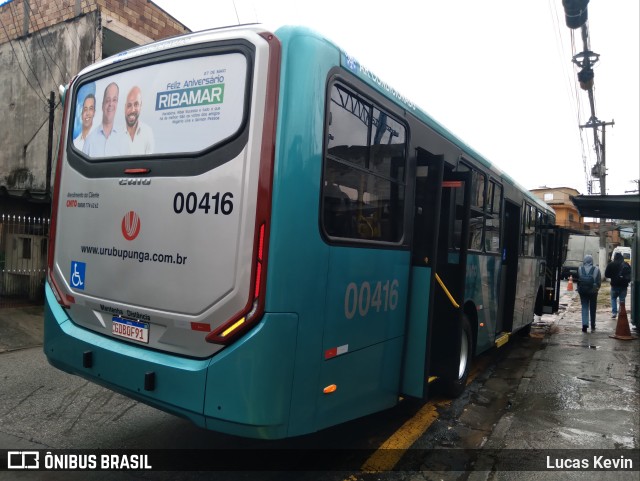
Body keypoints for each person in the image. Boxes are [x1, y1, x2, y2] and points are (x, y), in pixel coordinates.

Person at [83, 82, 129, 157]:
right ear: (102, 105)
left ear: (117, 104)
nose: (111, 104)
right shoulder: (90, 141)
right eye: (108, 100)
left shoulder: (124, 140)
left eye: (114, 100)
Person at [124, 86, 154, 155]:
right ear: (125, 107)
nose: (132, 110)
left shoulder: (148, 133)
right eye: (129, 105)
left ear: (141, 106)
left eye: (136, 104)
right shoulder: (117, 135)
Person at [577, 254, 601, 333]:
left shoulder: (580, 269)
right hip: (593, 291)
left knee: (584, 307)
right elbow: (599, 282)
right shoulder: (596, 269)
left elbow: (578, 281)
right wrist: (597, 288)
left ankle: (584, 325)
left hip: (583, 291)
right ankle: (593, 325)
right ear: (592, 261)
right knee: (593, 308)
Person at [605, 251, 632, 319]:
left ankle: (614, 313)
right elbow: (630, 275)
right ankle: (621, 313)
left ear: (614, 257)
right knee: (622, 300)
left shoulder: (611, 264)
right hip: (623, 286)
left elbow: (606, 275)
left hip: (614, 285)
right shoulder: (626, 264)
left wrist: (613, 276)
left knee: (613, 298)